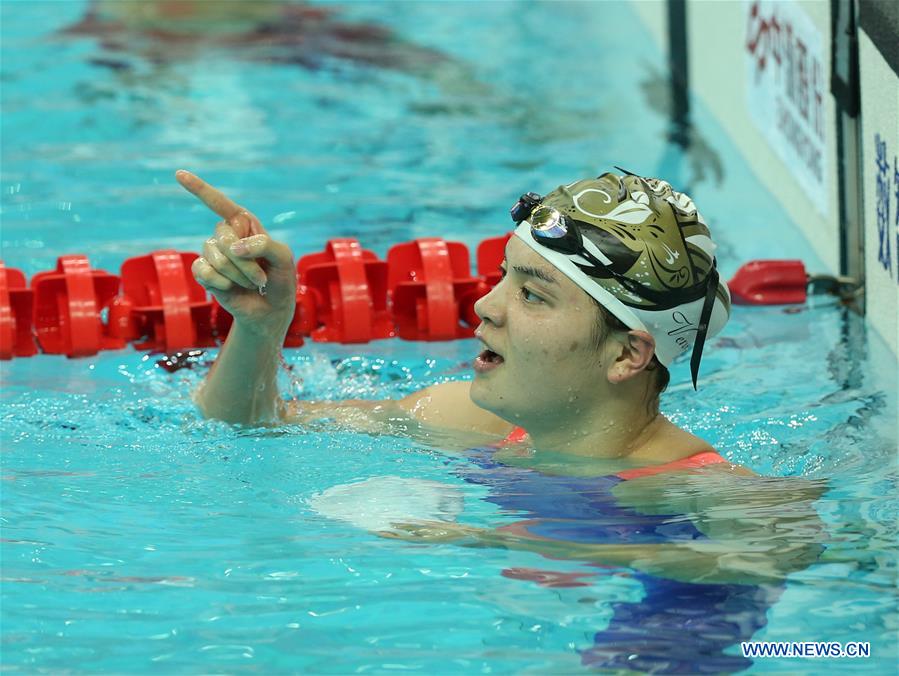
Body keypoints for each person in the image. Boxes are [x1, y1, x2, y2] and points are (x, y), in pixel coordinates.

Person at [177, 168, 825, 672]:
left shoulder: (708, 489)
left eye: (531, 294)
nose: (483, 306)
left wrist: (497, 540)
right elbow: (249, 428)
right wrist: (260, 327)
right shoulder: (468, 419)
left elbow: (780, 563)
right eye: (501, 278)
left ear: (626, 352)